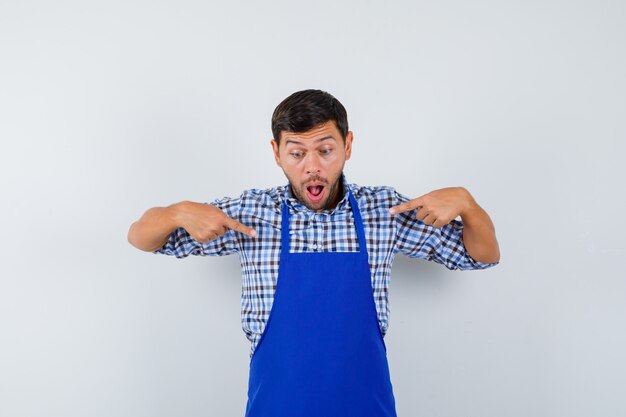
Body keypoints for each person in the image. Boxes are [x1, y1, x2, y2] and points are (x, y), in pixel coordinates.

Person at [127, 89, 501, 417]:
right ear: (276, 153)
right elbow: (141, 237)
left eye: (325, 150)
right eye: (296, 153)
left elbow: (482, 255)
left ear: (348, 145)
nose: (312, 167)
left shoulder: (384, 213)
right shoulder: (251, 214)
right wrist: (176, 212)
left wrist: (468, 204)